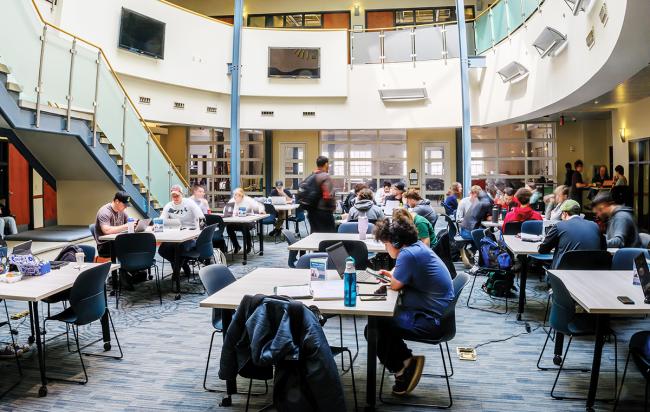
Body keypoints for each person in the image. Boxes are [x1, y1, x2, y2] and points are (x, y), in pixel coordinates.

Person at [368, 217, 454, 396]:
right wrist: (392, 274)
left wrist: (392, 279)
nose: (385, 248)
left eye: (386, 244)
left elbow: (395, 285)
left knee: (374, 328)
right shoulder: (417, 248)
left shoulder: (408, 254)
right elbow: (401, 277)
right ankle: (407, 361)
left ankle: (402, 369)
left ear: (396, 242)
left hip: (431, 321)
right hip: (437, 314)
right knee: (378, 324)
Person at [538, 200, 605, 269]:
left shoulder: (559, 226)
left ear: (565, 213)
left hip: (564, 273)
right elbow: (603, 249)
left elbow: (542, 250)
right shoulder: (595, 225)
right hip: (592, 271)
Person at [158, 185, 206, 275]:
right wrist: (157, 223)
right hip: (175, 235)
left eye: (177, 195)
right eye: (173, 196)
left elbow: (201, 217)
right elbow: (162, 218)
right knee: (162, 250)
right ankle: (183, 265)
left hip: (190, 236)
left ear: (182, 194)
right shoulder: (169, 206)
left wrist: (200, 232)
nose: (175, 197)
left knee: (179, 249)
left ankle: (176, 274)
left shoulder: (189, 203)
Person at [301, 156, 336, 233]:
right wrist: (333, 206)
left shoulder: (311, 176)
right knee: (330, 237)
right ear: (326, 164)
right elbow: (327, 196)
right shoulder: (325, 176)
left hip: (311, 212)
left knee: (315, 235)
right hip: (323, 212)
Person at [225, 187, 264, 254]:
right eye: (234, 195)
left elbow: (258, 206)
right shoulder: (233, 200)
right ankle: (236, 246)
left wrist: (261, 211)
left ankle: (249, 246)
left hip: (249, 221)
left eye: (236, 195)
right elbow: (226, 209)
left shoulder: (248, 200)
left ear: (241, 195)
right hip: (237, 221)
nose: (235, 197)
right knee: (229, 227)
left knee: (245, 226)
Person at [94, 191, 132, 259]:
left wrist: (136, 224)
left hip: (117, 241)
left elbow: (130, 222)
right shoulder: (104, 212)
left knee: (137, 242)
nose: (126, 207)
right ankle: (128, 267)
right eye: (124, 205)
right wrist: (126, 226)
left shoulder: (122, 211)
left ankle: (135, 267)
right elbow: (106, 230)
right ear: (117, 201)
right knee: (133, 245)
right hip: (106, 245)